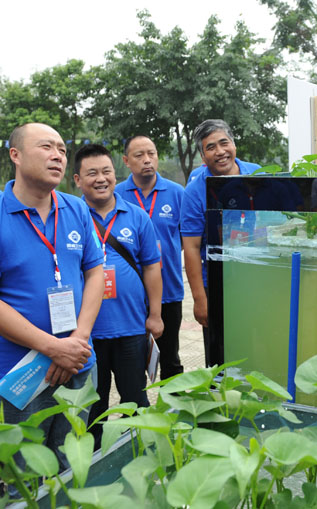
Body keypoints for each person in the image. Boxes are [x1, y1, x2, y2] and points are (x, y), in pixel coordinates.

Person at [0, 123, 104, 469]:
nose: (58, 155)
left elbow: (94, 273)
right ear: (15, 155)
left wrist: (78, 339)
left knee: (73, 463)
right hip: (23, 374)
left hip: (79, 363)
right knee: (26, 474)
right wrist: (52, 348)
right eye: (46, 147)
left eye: (61, 148)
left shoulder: (75, 208)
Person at [73, 144, 163, 449]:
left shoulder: (136, 217)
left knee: (135, 400)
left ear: (116, 173)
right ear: (77, 179)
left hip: (131, 329)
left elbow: (152, 267)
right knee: (92, 408)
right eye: (92, 173)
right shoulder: (69, 217)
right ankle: (93, 467)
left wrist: (155, 314)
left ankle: (139, 456)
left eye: (106, 171)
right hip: (86, 335)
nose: (101, 179)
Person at [180, 119, 261, 366]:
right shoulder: (195, 191)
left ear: (234, 144)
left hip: (257, 278)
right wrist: (199, 299)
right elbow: (191, 248)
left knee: (258, 346)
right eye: (210, 147)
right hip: (216, 283)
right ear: (203, 156)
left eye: (224, 143)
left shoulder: (258, 175)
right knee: (220, 358)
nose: (220, 152)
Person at [115, 136, 185, 380]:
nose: (147, 160)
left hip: (169, 291)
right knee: (131, 363)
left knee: (170, 360)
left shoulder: (177, 194)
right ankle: (137, 411)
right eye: (139, 155)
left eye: (151, 153)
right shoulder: (115, 195)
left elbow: (189, 240)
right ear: (126, 161)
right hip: (128, 296)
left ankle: (173, 412)